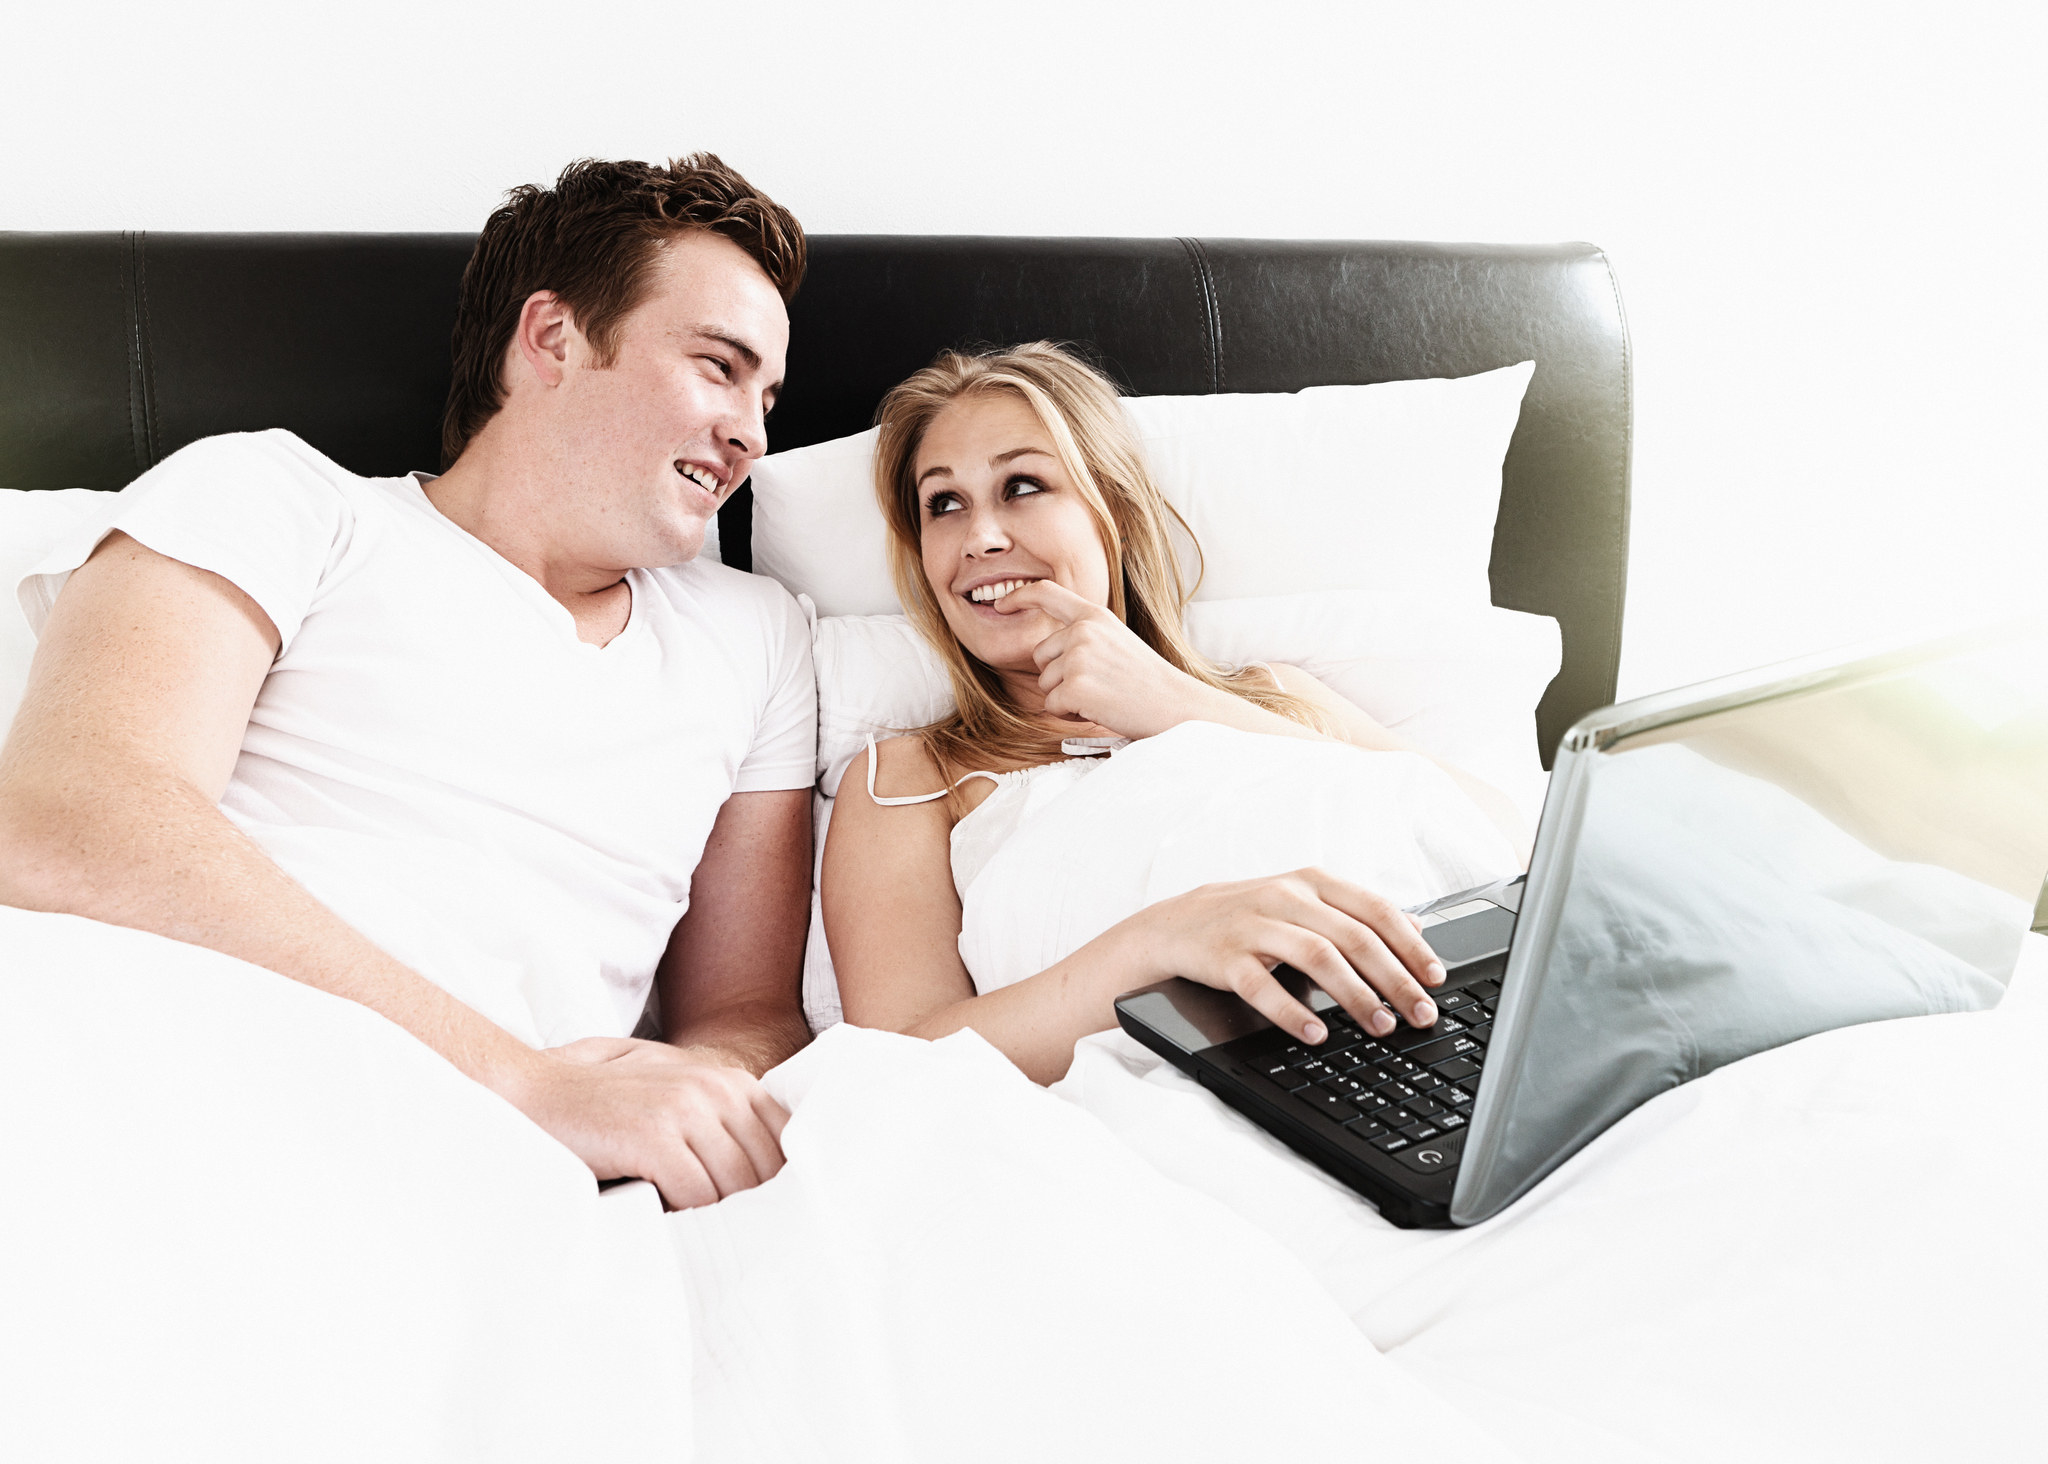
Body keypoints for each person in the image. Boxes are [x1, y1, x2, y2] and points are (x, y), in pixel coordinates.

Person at [0, 156, 813, 1210]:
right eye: (718, 366)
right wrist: (525, 1084)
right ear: (553, 338)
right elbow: (68, 818)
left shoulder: (755, 636)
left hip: (507, 1183)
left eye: (767, 394)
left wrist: (685, 1098)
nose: (752, 430)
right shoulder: (282, 501)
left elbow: (746, 1011)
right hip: (179, 1069)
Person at [824, 343, 1531, 1083]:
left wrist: (1177, 704)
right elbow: (899, 1060)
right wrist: (1157, 945)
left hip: (1430, 1067)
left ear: (1115, 515)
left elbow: (1499, 845)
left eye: (1023, 485)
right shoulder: (910, 778)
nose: (981, 538)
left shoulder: (1273, 694)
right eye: (944, 504)